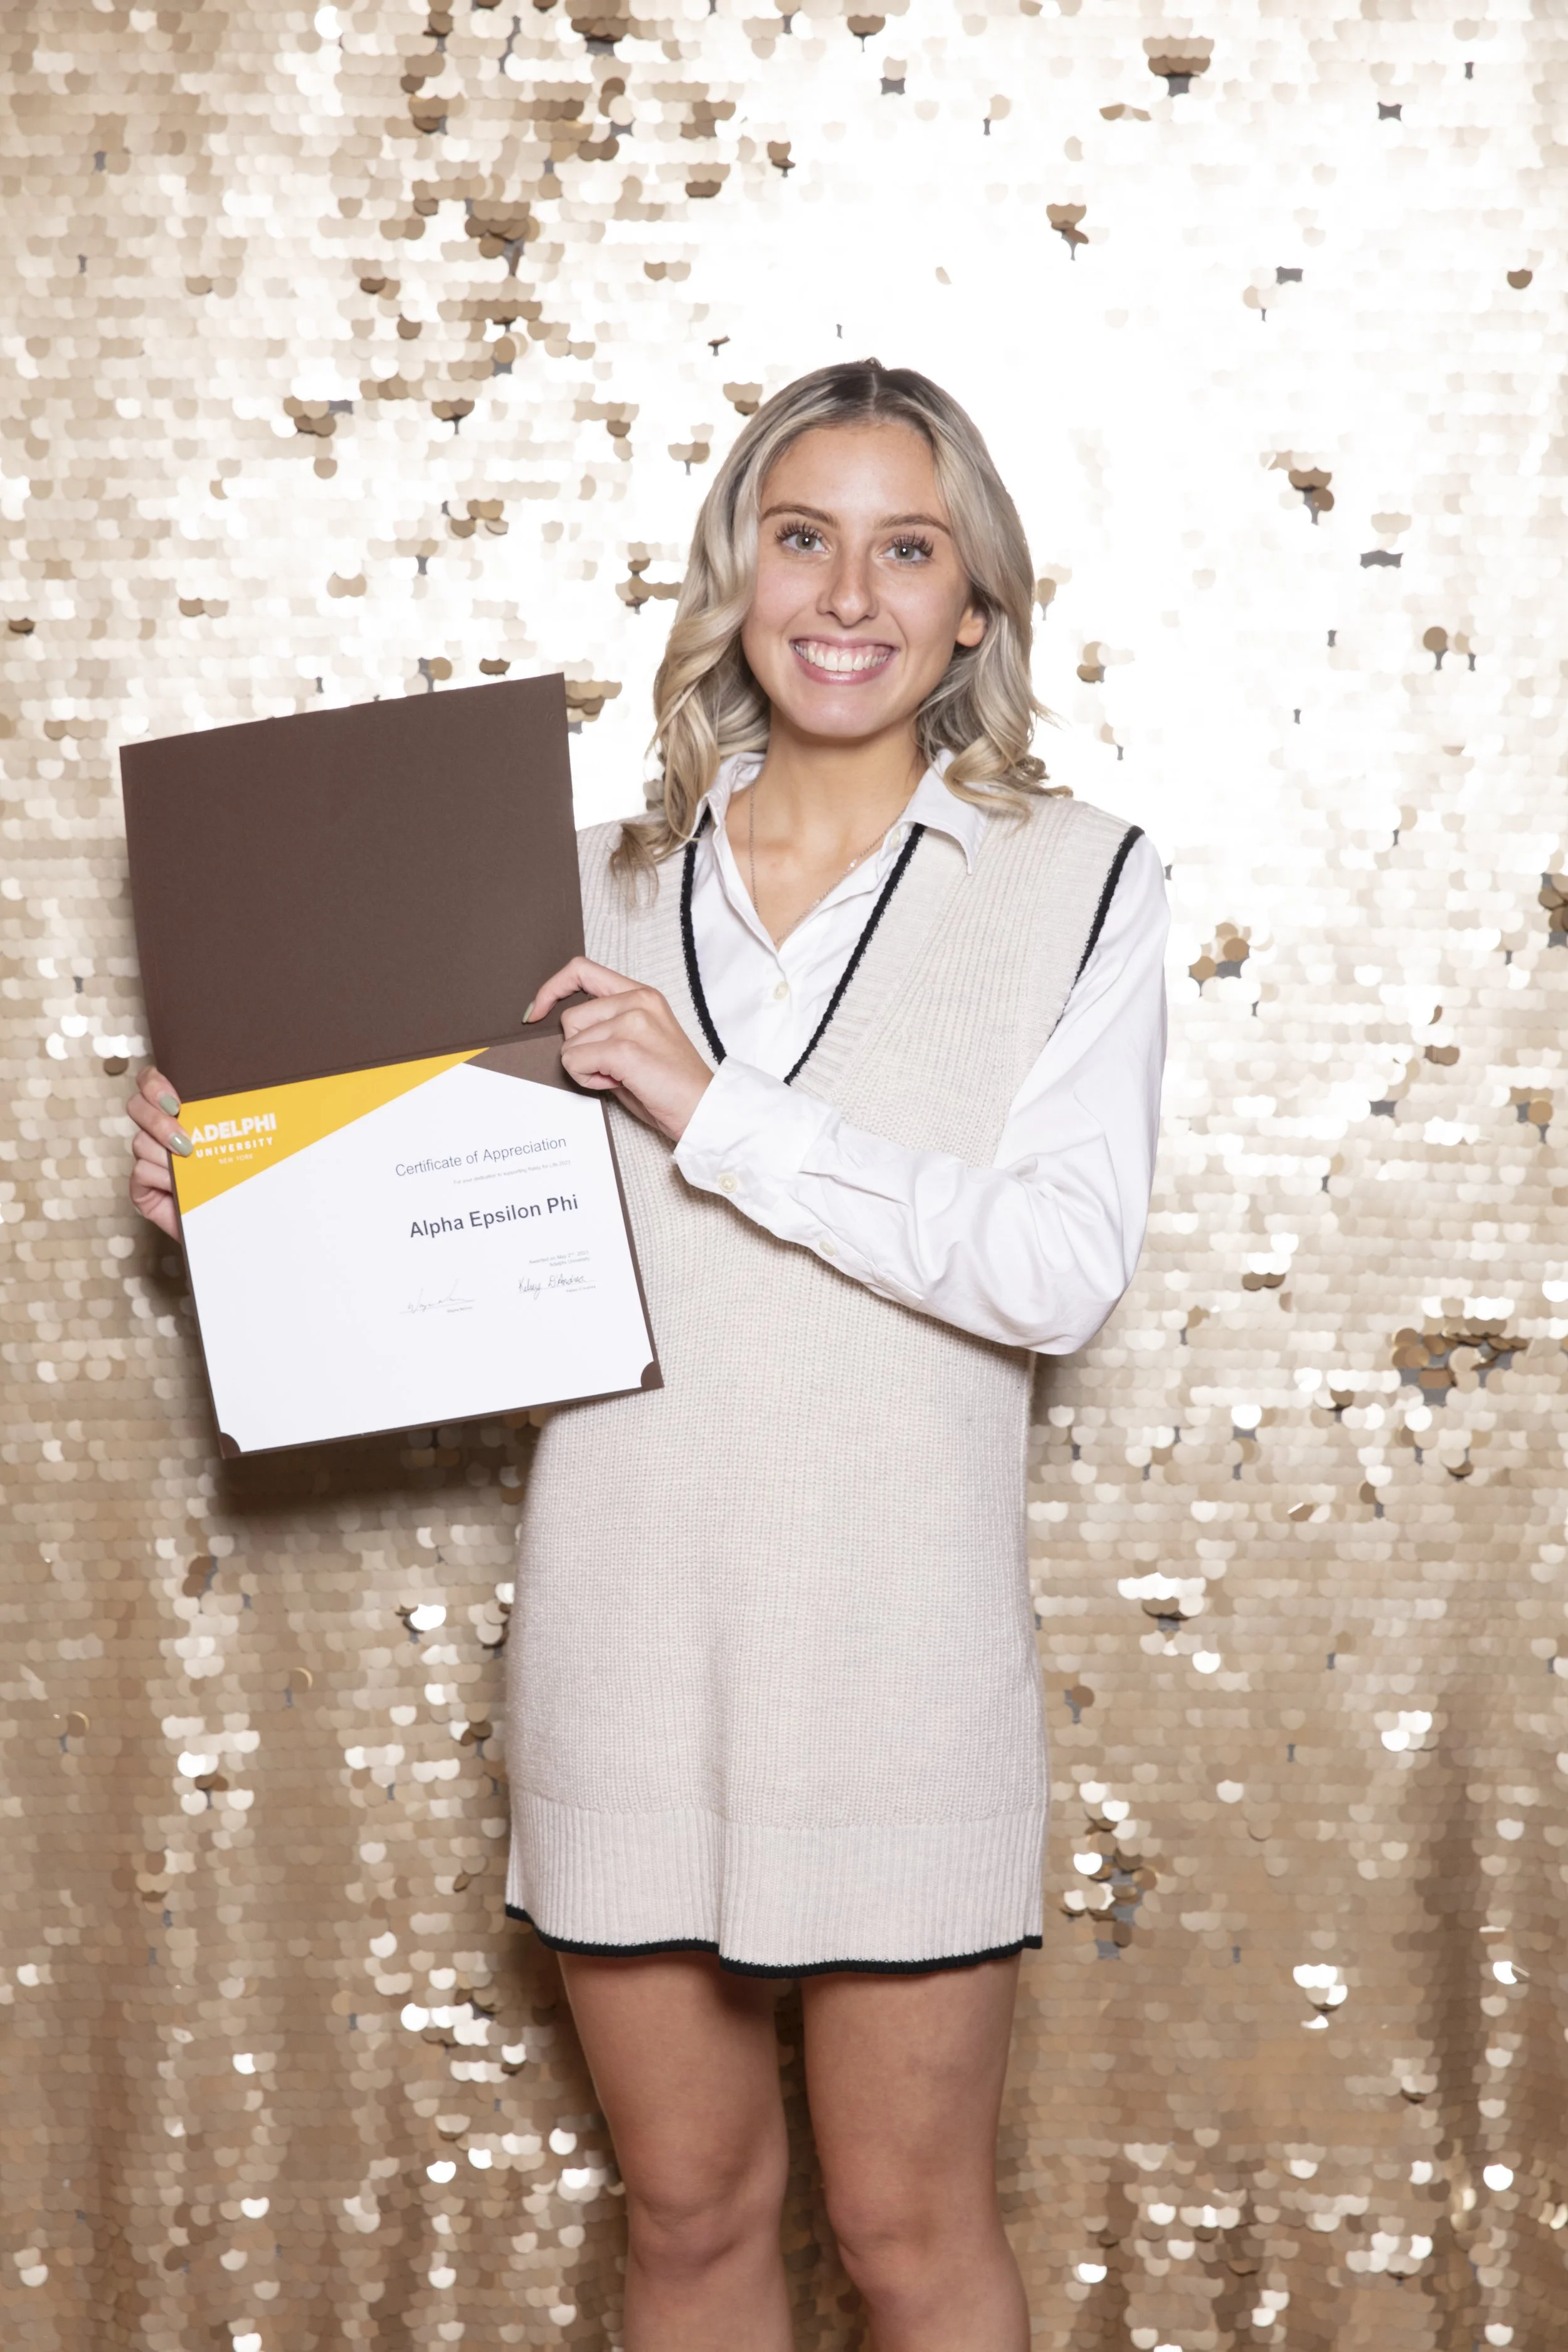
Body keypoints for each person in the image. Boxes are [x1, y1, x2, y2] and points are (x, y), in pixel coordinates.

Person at [129, 361, 1167, 2352]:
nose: (845, 591)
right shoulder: (577, 887)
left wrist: (719, 1110)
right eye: (801, 536)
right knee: (689, 2214)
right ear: (735, 577)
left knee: (904, 2233)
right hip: (624, 1634)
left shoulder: (1085, 879)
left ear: (974, 609)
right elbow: (459, 1277)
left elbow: (1053, 1269)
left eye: (906, 544)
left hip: (899, 1656)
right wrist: (242, 1203)